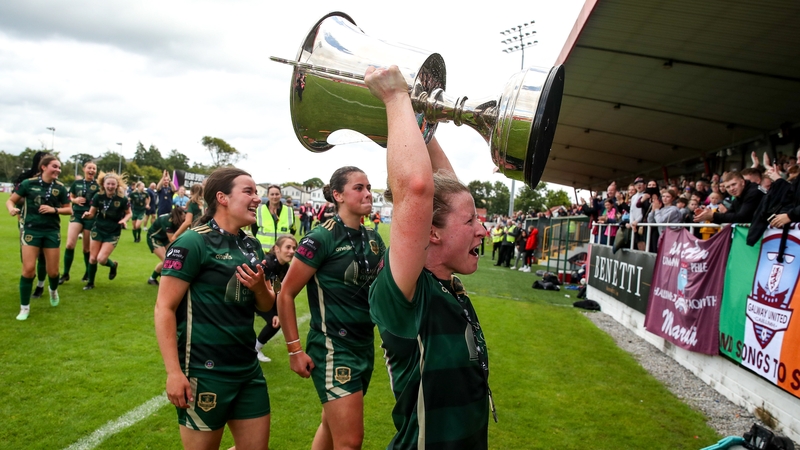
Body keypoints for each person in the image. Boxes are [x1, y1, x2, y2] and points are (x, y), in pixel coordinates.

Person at [365, 65, 492, 449]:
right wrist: (395, 98)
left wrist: (424, 118)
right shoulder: (408, 291)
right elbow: (418, 190)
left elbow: (446, 192)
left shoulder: (444, 285)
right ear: (430, 232)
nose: (482, 231)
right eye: (471, 221)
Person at [155, 167, 274, 450]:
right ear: (222, 197)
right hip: (204, 370)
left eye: (256, 192)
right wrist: (174, 372)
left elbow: (267, 305)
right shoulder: (193, 241)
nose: (257, 199)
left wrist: (259, 288)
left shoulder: (251, 245)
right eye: (249, 191)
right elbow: (164, 308)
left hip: (247, 369)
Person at [277, 166, 385, 450]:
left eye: (368, 187)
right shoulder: (320, 238)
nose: (368, 193)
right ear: (337, 195)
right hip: (333, 346)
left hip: (364, 344)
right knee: (350, 441)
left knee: (331, 424)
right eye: (358, 188)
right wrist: (294, 350)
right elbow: (286, 294)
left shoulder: (374, 238)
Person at [6, 155, 71, 320]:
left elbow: (69, 209)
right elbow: (10, 201)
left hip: (51, 231)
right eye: (54, 166)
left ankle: (53, 291)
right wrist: (11, 209)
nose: (58, 170)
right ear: (44, 167)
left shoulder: (61, 188)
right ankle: (24, 308)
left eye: (59, 167)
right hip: (31, 230)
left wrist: (53, 210)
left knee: (53, 272)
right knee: (28, 270)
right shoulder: (28, 183)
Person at [82, 172, 132, 290]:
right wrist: (87, 214)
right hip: (98, 229)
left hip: (113, 232)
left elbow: (129, 213)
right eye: (108, 184)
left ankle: (112, 266)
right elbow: (92, 213)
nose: (110, 186)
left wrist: (124, 220)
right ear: (103, 184)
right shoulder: (98, 196)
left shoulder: (122, 199)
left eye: (113, 184)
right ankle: (90, 283)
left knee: (101, 259)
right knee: (93, 258)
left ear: (117, 185)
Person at [12, 152, 50, 298]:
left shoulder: (52, 180)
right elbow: (15, 199)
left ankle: (40, 285)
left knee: (43, 256)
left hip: (46, 222)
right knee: (27, 257)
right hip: (26, 221)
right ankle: (29, 277)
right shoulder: (26, 178)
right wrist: (29, 196)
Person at [254, 235, 297, 363]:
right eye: (288, 247)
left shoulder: (284, 267)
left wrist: (278, 313)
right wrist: (274, 314)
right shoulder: (268, 263)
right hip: (254, 297)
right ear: (277, 248)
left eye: (294, 248)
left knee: (277, 321)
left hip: (265, 297)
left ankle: (256, 348)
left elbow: (278, 290)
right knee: (274, 321)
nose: (292, 251)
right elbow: (265, 290)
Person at [59, 161, 98, 285]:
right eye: (89, 168)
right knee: (70, 244)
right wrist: (74, 200)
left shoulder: (98, 185)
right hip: (76, 214)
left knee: (86, 249)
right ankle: (65, 273)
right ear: (84, 169)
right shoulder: (77, 183)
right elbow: (69, 196)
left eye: (94, 168)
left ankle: (88, 272)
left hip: (90, 217)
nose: (91, 170)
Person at [146, 207, 186, 286]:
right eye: (183, 215)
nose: (185, 217)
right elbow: (172, 239)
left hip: (164, 238)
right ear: (179, 215)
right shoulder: (167, 221)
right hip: (154, 237)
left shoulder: (176, 219)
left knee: (172, 258)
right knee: (166, 260)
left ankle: (155, 277)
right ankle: (154, 279)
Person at [255, 185, 295, 252]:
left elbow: (293, 230)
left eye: (277, 194)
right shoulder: (259, 210)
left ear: (280, 195)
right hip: (264, 251)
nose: (274, 197)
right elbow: (254, 229)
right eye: (272, 194)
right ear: (268, 195)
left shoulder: (289, 210)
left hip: (282, 252)